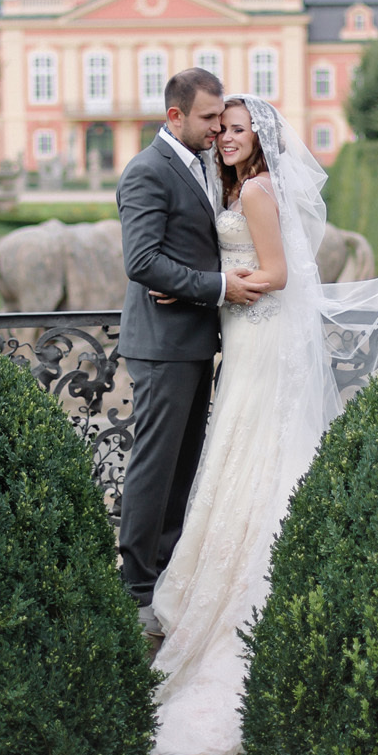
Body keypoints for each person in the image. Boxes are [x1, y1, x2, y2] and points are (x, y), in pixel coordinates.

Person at [145, 93, 347, 755]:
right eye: (222, 128)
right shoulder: (237, 187)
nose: (226, 138)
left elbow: (279, 274)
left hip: (260, 341)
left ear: (260, 137)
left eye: (237, 129)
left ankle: (246, 599)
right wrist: (203, 285)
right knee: (242, 452)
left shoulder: (257, 191)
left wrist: (209, 284)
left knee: (254, 453)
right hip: (245, 338)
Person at [114, 70, 268, 640]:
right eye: (208, 119)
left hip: (195, 339)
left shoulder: (205, 164)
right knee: (155, 466)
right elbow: (142, 260)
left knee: (184, 465)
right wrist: (216, 286)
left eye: (221, 119)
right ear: (175, 116)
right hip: (162, 344)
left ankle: (166, 577)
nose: (217, 129)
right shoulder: (147, 170)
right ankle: (135, 588)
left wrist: (194, 287)